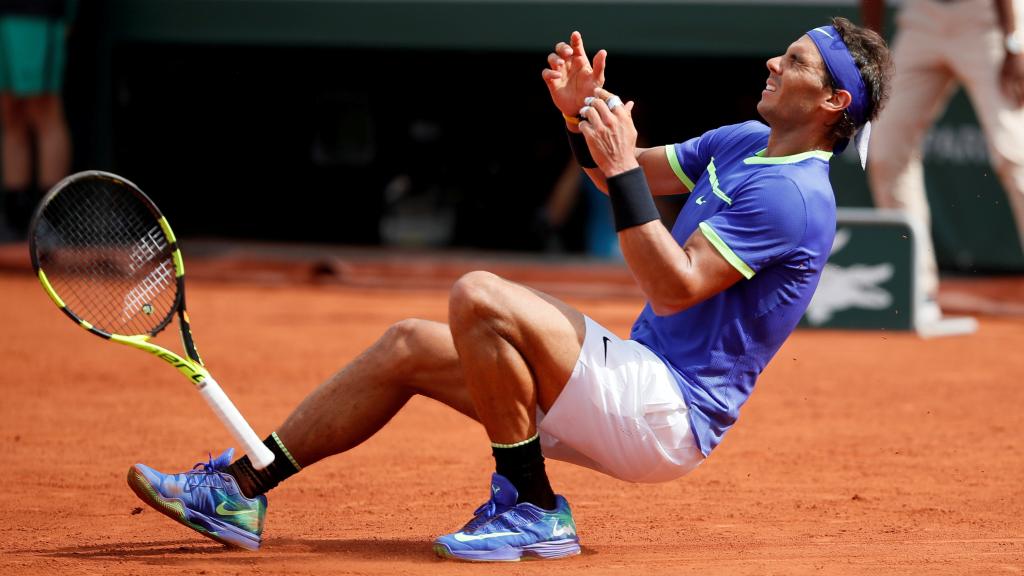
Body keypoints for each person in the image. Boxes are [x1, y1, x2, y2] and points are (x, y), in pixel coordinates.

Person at [127, 18, 891, 561]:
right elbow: (614, 175)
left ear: (833, 105)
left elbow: (676, 286)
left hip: (668, 412)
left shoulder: (795, 199)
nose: (771, 64)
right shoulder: (745, 143)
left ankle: (529, 505)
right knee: (407, 345)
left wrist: (622, 169)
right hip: (634, 382)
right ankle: (241, 488)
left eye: (793, 62)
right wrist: (580, 121)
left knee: (480, 295)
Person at [864, 0, 1024, 320]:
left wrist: (1014, 41)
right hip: (922, 18)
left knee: (1014, 153)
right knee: (886, 151)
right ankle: (916, 290)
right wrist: (872, 46)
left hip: (986, 18)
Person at [0, 0, 74, 238]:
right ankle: (15, 220)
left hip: (36, 16)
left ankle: (51, 223)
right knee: (9, 113)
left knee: (43, 110)